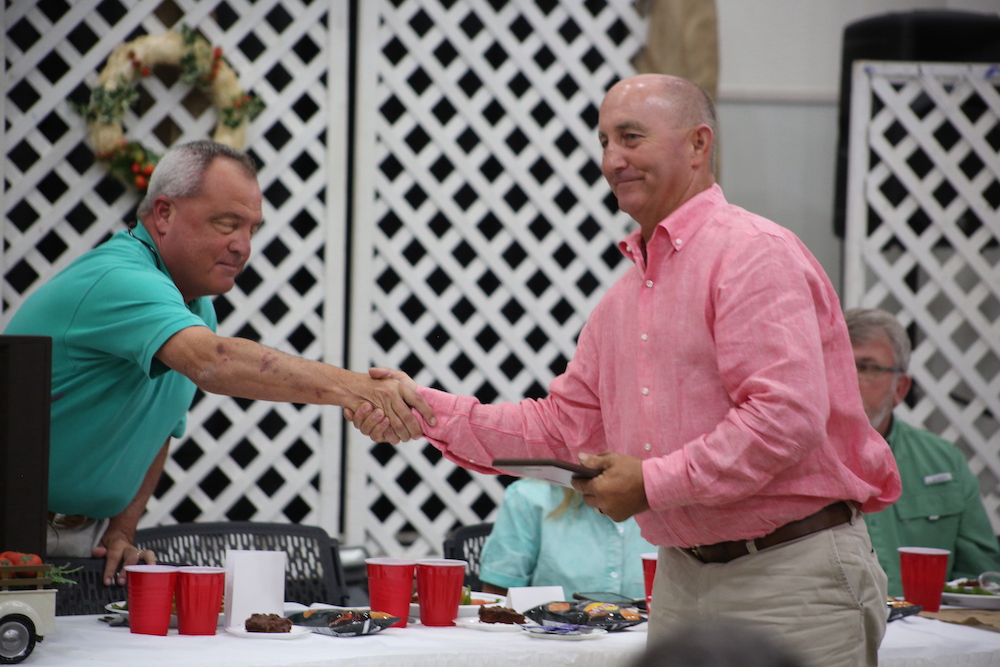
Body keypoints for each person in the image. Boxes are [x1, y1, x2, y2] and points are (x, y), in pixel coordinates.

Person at [350, 74, 900, 667]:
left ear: (698, 144)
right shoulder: (623, 299)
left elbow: (783, 419)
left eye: (631, 137)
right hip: (684, 577)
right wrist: (422, 407)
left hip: (791, 575)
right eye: (604, 141)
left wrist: (652, 483)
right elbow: (559, 430)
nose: (613, 159)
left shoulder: (753, 253)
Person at [4, 140, 435, 586]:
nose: (243, 246)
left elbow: (158, 429)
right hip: (10, 525)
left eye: (252, 229)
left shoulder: (196, 307)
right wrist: (363, 389)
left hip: (80, 538)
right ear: (164, 213)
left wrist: (122, 529)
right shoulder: (121, 278)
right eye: (227, 224)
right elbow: (213, 362)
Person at [845, 307, 1000, 596]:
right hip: (833, 633)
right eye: (838, 366)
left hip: (933, 632)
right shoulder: (797, 460)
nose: (848, 381)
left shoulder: (944, 462)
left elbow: (982, 580)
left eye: (866, 368)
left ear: (900, 388)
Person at [478, 479, 654, 599]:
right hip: (552, 646)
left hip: (657, 648)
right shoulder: (529, 497)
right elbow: (497, 598)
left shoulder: (673, 501)